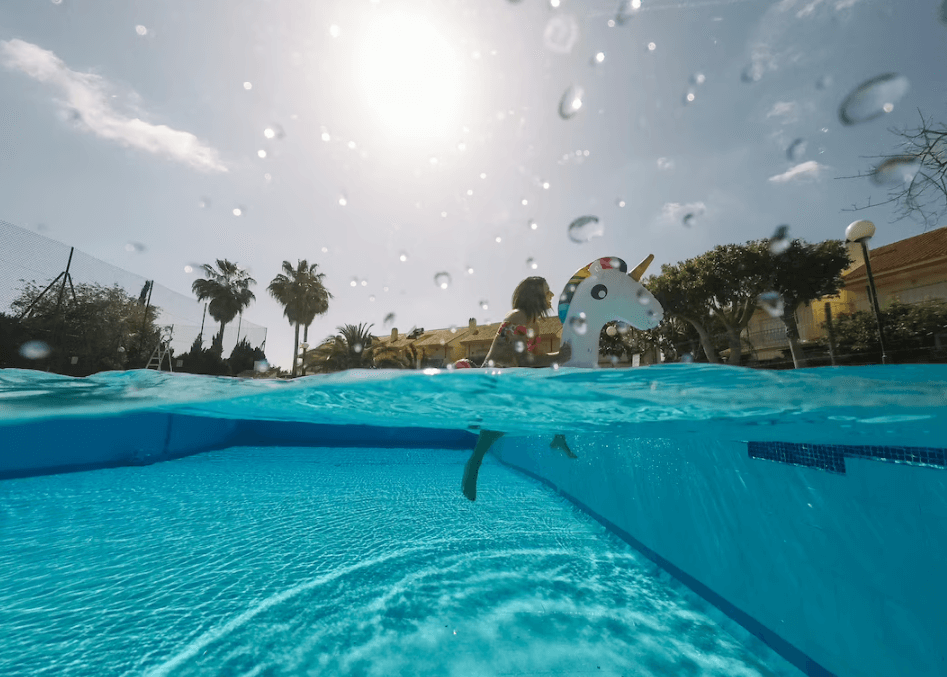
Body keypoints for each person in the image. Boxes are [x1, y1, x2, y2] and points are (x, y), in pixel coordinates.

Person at [455, 276, 576, 502]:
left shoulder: (535, 324)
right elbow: (525, 358)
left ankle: (557, 437)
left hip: (512, 378)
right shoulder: (516, 317)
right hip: (495, 378)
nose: (551, 295)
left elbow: (532, 360)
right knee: (498, 424)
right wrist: (559, 356)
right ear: (535, 296)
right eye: (547, 292)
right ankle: (474, 464)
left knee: (554, 397)